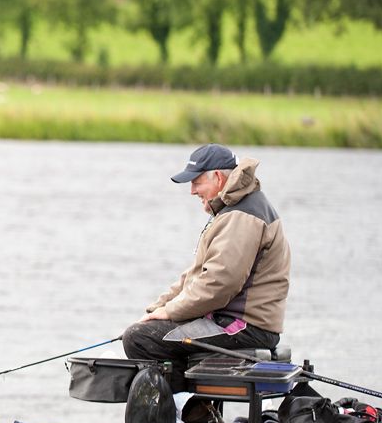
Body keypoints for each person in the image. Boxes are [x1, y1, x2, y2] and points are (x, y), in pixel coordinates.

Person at [122, 144, 290, 379]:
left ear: (219, 178)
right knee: (144, 331)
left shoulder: (241, 216)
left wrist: (169, 312)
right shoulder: (234, 210)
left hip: (245, 327)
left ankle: (183, 412)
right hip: (227, 320)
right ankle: (192, 410)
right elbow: (194, 277)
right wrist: (155, 310)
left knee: (139, 339)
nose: (192, 190)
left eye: (196, 182)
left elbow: (218, 285)